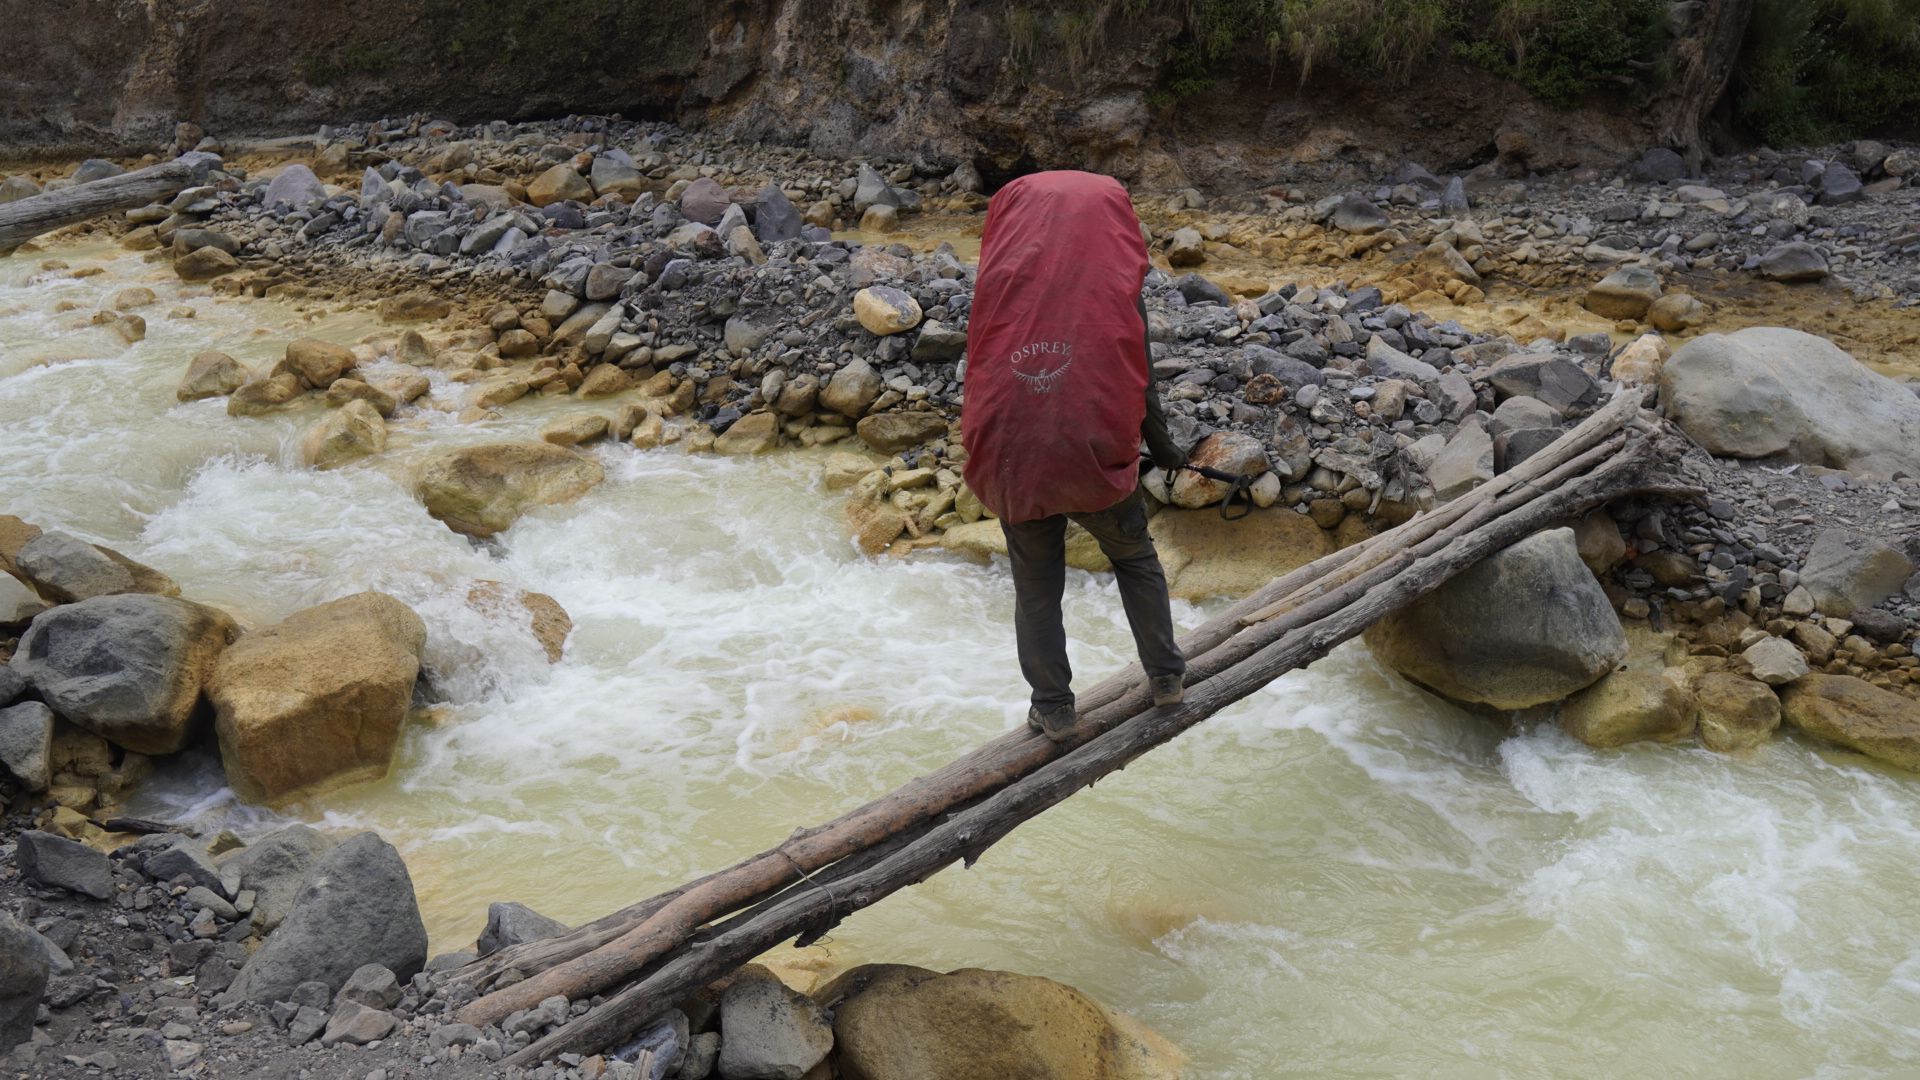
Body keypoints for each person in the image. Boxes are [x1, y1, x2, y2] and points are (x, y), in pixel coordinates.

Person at [960, 170, 1189, 743]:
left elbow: (984, 373)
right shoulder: (1113, 284)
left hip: (1017, 453)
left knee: (1036, 587)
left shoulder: (1001, 283)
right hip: (1092, 451)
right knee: (1134, 558)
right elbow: (1139, 378)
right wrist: (1165, 450)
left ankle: (1055, 709)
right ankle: (1165, 677)